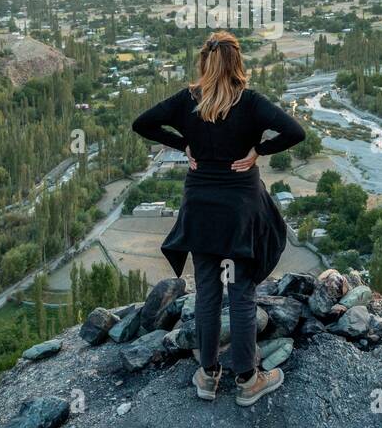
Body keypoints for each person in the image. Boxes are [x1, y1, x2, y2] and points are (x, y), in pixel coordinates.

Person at [131, 30, 305, 405]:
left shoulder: (187, 101)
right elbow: (295, 131)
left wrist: (184, 144)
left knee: (208, 293)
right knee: (241, 295)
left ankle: (208, 377)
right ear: (237, 63)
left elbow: (142, 124)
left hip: (201, 211)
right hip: (238, 213)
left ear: (205, 63)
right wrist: (260, 149)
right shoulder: (252, 103)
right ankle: (247, 381)